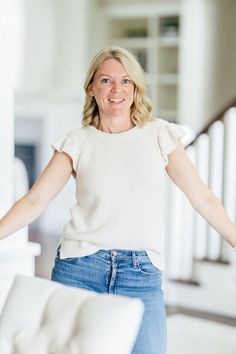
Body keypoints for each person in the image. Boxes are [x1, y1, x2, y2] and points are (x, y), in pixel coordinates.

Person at [0, 45, 236, 354]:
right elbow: (35, 201)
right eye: (106, 80)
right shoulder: (77, 142)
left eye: (126, 81)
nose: (117, 89)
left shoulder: (159, 135)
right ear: (91, 88)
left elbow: (202, 198)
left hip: (141, 273)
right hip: (79, 268)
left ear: (136, 88)